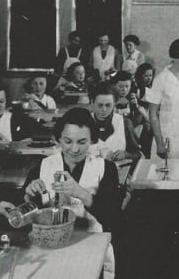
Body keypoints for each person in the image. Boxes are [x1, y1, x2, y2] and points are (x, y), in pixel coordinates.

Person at [23, 107, 119, 279]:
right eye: (68, 141)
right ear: (58, 138)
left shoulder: (106, 168)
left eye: (82, 142)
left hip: (91, 245)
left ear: (92, 140)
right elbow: (26, 215)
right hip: (50, 248)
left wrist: (81, 192)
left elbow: (112, 217)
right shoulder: (43, 166)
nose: (74, 149)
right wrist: (28, 196)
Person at [91, 81, 140, 161]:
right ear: (92, 103)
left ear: (114, 103)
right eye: (100, 105)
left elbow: (137, 154)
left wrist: (126, 155)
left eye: (108, 105)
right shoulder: (84, 122)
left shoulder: (125, 123)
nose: (104, 109)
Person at [111, 71, 147, 159]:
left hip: (127, 132)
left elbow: (137, 122)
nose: (124, 89)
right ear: (115, 86)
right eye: (121, 86)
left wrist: (136, 106)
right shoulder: (110, 98)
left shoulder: (131, 98)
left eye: (127, 86)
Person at [134, 63, 155, 157]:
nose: (149, 78)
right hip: (142, 121)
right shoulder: (139, 90)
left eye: (150, 75)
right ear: (141, 75)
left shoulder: (152, 88)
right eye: (146, 75)